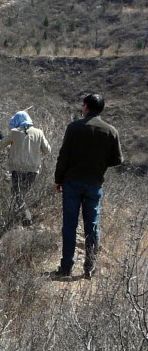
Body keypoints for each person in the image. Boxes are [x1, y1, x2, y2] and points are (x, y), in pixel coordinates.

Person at [54, 93, 123, 279]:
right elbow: (117, 160)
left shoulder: (74, 128)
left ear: (85, 107)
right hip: (94, 183)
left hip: (72, 182)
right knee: (92, 227)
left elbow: (64, 156)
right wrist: (98, 164)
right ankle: (90, 268)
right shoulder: (110, 131)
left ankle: (66, 267)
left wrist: (58, 178)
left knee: (69, 225)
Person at [0, 110, 51, 225]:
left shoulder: (14, 132)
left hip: (17, 169)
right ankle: (22, 219)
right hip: (33, 170)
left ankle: (26, 219)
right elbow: (47, 150)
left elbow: (1, 144)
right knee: (22, 194)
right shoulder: (39, 132)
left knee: (17, 195)